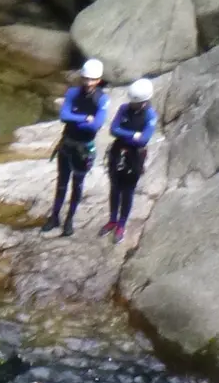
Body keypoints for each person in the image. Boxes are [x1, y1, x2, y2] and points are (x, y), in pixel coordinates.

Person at [44, 59, 109, 238]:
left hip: (83, 148)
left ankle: (69, 220)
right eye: (86, 79)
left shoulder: (102, 99)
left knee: (77, 185)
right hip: (68, 144)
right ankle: (54, 217)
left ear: (98, 80)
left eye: (92, 80)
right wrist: (84, 118)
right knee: (62, 183)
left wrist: (76, 119)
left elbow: (96, 125)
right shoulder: (73, 93)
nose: (88, 83)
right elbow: (64, 116)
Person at [103, 78, 157, 245]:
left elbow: (144, 139)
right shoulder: (124, 108)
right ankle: (112, 220)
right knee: (115, 188)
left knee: (127, 191)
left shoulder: (150, 115)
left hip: (135, 157)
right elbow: (113, 129)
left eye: (136, 103)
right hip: (118, 152)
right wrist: (133, 135)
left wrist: (125, 134)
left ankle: (121, 224)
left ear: (144, 102)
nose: (132, 105)